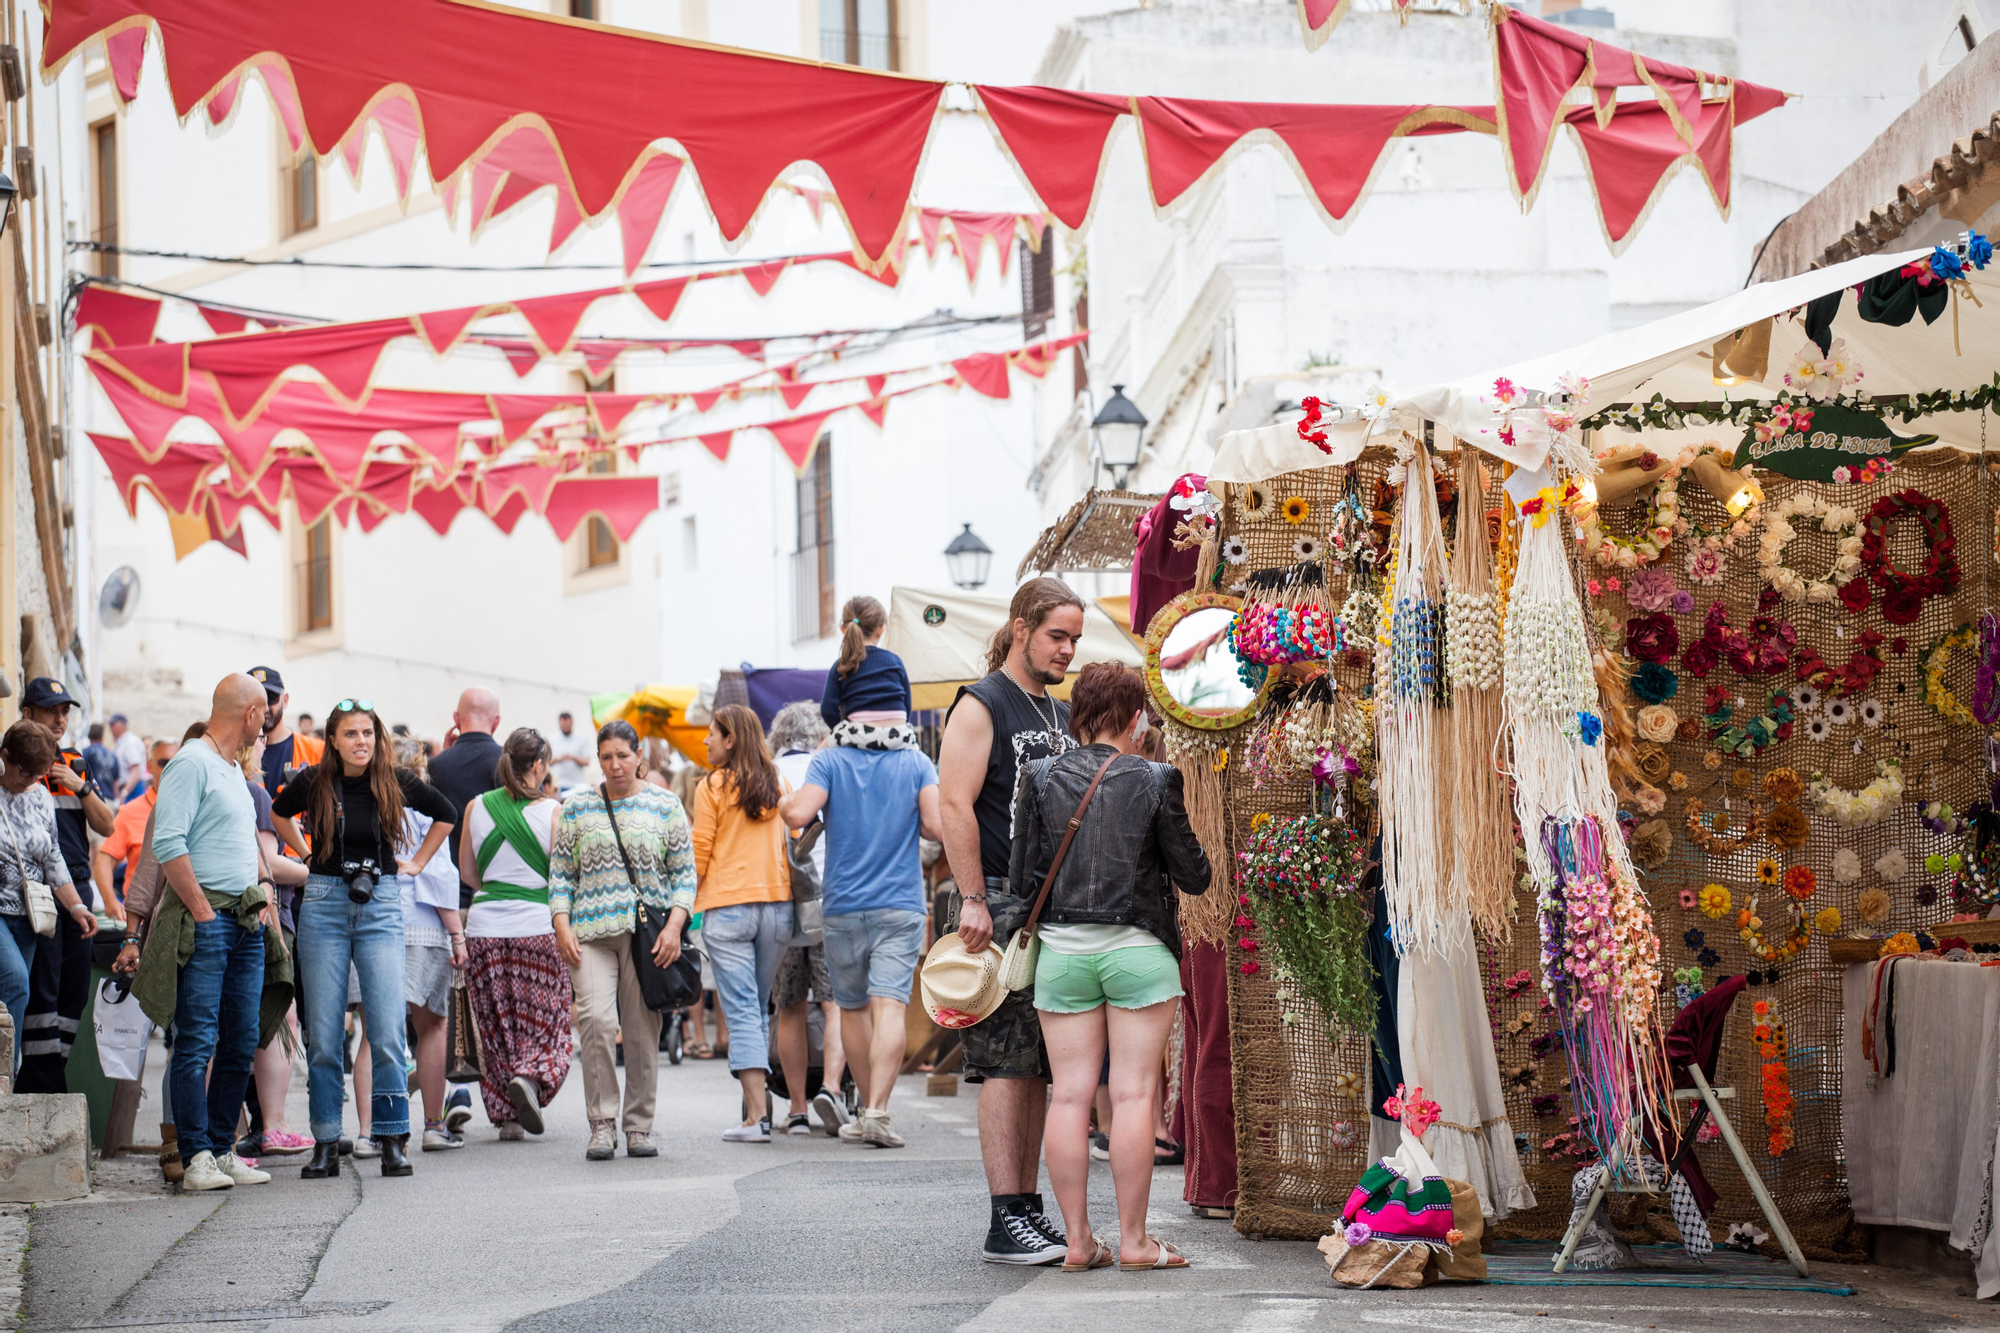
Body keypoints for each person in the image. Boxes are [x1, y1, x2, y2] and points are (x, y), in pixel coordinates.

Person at [1010, 663, 1209, 1271]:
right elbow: (1195, 875)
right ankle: (1135, 1242)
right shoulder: (1155, 778)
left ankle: (1075, 1243)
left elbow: (1021, 880)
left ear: (1077, 717)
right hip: (1137, 950)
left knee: (1068, 1098)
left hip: (1063, 957)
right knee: (1131, 1095)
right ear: (1135, 718)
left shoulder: (1038, 776)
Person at [937, 575, 1085, 1264]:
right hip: (995, 898)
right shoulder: (981, 701)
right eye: (1058, 635)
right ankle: (1005, 1217)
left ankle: (1026, 1210)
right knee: (1002, 1063)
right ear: (1021, 627)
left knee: (1033, 1067)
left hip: (1042, 904)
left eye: (1074, 639)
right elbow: (955, 804)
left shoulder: (1051, 708)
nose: (1067, 649)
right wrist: (973, 898)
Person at [272, 700, 457, 1180]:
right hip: (324, 902)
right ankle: (326, 1142)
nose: (361, 742)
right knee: (326, 1035)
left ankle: (393, 1139)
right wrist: (307, 852)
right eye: (351, 734)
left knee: (389, 1030)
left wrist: (413, 863)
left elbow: (446, 814)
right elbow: (278, 813)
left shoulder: (394, 780)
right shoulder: (313, 781)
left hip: (381, 900)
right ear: (333, 739)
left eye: (368, 734)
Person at [133, 674, 280, 1193]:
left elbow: (240, 847)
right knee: (196, 1041)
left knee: (240, 1040)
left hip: (243, 921)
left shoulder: (229, 768)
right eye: (265, 714)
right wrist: (201, 912)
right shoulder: (191, 762)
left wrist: (260, 896)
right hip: (211, 921)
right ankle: (195, 1155)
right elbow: (168, 843)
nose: (267, 725)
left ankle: (220, 1150)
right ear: (249, 714)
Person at [781, 697, 943, 1152]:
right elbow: (935, 828)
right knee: (889, 1006)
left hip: (844, 905)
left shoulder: (828, 759)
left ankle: (866, 1111)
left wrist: (782, 802)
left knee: (851, 1008)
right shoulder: (917, 762)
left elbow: (797, 815)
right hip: (900, 902)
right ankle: (877, 1112)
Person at [549, 720, 695, 1161]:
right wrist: (561, 923)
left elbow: (684, 875)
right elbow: (560, 875)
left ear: (638, 758)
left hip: (647, 937)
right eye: (607, 757)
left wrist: (674, 926)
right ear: (599, 759)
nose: (615, 765)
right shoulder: (576, 808)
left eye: (623, 756)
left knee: (640, 1032)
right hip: (589, 934)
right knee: (596, 1022)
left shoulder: (665, 805)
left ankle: (638, 1126)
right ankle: (601, 1123)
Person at [458, 728, 571, 1142]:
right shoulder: (554, 812)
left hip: (485, 928)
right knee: (548, 1019)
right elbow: (560, 881)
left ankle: (506, 1117)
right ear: (540, 766)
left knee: (497, 1022)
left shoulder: (476, 807)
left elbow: (469, 874)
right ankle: (531, 1077)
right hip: (537, 926)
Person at [690, 705, 793, 1143]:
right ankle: (758, 1109)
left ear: (730, 739)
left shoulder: (712, 785)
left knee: (744, 1009)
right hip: (777, 908)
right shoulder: (778, 781)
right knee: (760, 1005)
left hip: (728, 909)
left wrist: (681, 909)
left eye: (712, 734)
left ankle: (756, 1116)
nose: (706, 742)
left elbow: (699, 854)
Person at [19, 677, 116, 1094]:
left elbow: (107, 826)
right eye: (50, 710)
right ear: (28, 714)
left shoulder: (76, 761)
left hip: (77, 888)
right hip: (36, 892)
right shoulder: (18, 766)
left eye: (64, 711)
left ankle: (48, 1076)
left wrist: (82, 787)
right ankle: (42, 1086)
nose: (60, 719)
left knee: (74, 992)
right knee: (43, 989)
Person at [0, 722, 101, 1072]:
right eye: (24, 771)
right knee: (15, 981)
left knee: (15, 996)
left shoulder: (40, 796)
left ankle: (6, 1083)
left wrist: (76, 906)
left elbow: (53, 857)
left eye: (37, 774)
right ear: (5, 757)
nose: (29, 780)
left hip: (28, 917)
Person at [767, 702, 847, 1136]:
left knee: (790, 1006)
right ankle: (831, 1090)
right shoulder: (828, 766)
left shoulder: (767, 774)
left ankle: (796, 1108)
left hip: (784, 900)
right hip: (830, 896)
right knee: (836, 1004)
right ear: (819, 734)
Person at [391, 735, 471, 1152]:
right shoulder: (427, 809)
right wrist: (457, 934)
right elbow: (439, 877)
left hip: (381, 924)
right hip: (423, 924)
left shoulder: (376, 808)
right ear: (418, 771)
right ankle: (433, 1125)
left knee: (377, 1034)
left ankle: (375, 1132)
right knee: (432, 1027)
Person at [428, 688, 503, 915]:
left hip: (446, 898)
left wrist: (442, 756)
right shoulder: (508, 765)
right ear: (496, 722)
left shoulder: (435, 766)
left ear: (456, 719)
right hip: (498, 895)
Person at [93, 740, 177, 926]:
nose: (170, 768)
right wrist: (109, 901)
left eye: (176, 762)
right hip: (140, 919)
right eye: (164, 763)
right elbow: (105, 859)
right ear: (150, 766)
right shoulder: (130, 811)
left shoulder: (195, 808)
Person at [819, 595, 912, 731]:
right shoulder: (895, 661)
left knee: (823, 748)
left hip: (859, 734)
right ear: (880, 630)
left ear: (843, 629)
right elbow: (907, 704)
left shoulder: (842, 665)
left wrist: (842, 731)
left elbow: (828, 709)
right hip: (897, 732)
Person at [247, 668, 322, 797]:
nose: (264, 707)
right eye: (255, 699)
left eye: (270, 698)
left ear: (285, 700)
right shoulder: (234, 751)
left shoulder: (316, 750)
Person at [549, 712, 593, 792]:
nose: (565, 727)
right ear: (559, 723)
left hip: (577, 784)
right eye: (563, 725)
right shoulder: (551, 738)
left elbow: (587, 762)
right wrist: (558, 759)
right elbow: (547, 762)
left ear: (572, 723)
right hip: (558, 785)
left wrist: (573, 758)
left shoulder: (582, 738)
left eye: (567, 725)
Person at [109, 713, 146, 800]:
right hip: (128, 788)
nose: (111, 728)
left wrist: (124, 793)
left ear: (122, 725)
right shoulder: (121, 743)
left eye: (113, 724)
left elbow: (135, 771)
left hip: (132, 788)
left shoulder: (130, 743)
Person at [82, 723, 118, 802]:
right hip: (109, 798)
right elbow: (116, 782)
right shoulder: (111, 755)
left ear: (89, 735)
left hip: (92, 798)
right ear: (102, 736)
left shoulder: (86, 752)